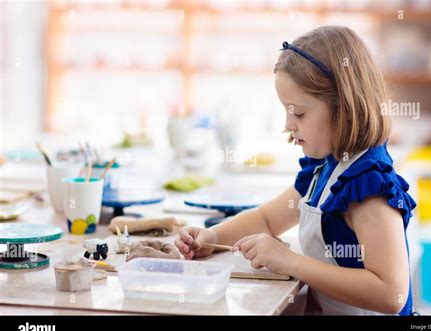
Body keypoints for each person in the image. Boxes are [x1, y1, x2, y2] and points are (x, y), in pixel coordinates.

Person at [174, 26, 416, 315]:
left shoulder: (368, 185)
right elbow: (266, 219)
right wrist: (212, 238)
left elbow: (392, 294)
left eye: (299, 113)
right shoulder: (326, 168)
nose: (289, 123)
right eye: (286, 110)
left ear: (344, 108)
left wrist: (288, 260)